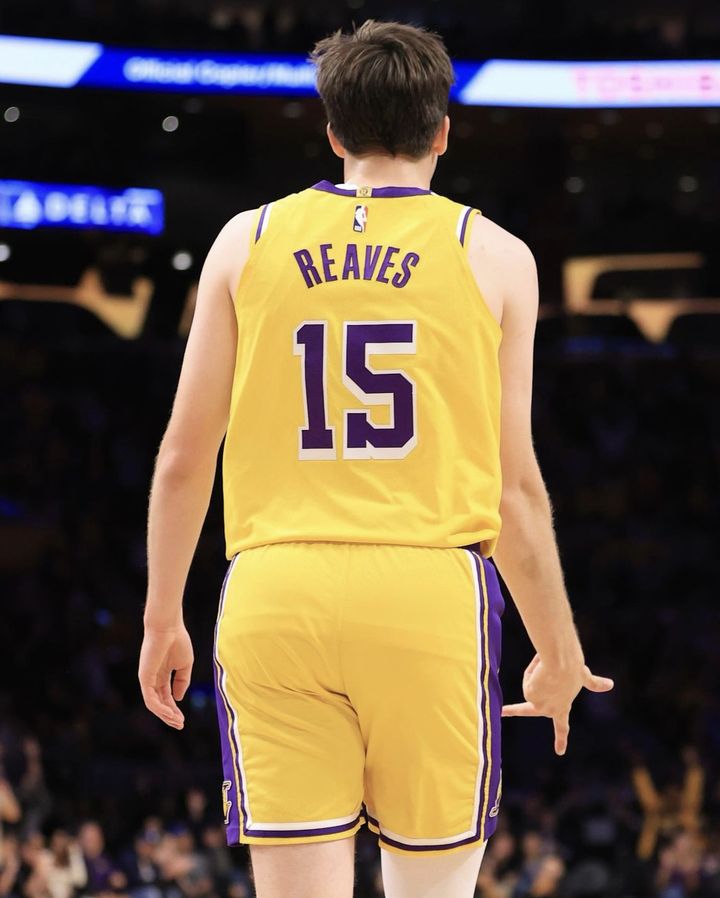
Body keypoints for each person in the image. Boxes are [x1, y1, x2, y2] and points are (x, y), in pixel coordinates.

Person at [138, 19, 613, 898]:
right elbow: (512, 487)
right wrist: (557, 646)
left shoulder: (246, 239)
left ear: (331, 131)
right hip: (427, 593)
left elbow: (182, 455)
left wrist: (163, 612)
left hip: (276, 589)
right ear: (442, 130)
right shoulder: (497, 254)